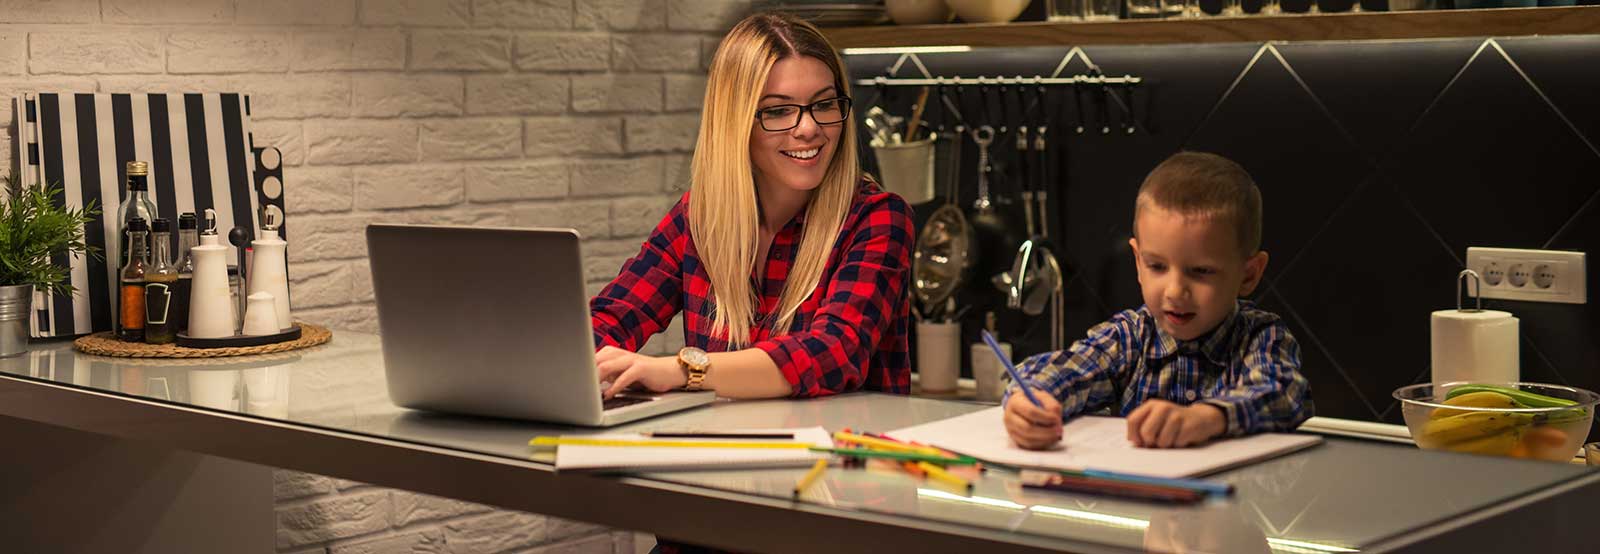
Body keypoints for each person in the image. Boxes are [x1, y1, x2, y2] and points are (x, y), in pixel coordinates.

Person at [590, 12, 914, 403]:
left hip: (838, 457)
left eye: (824, 104)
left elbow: (833, 352)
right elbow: (611, 317)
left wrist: (682, 370)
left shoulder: (877, 219)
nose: (809, 128)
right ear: (736, 123)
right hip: (723, 452)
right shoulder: (698, 219)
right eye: (778, 110)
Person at [1004, 151, 1313, 450]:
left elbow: (1285, 393)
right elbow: (1063, 371)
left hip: (1232, 500)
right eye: (1157, 266)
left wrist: (1206, 419)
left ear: (1248, 275)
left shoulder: (1261, 337)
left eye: (1201, 271)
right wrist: (1029, 401)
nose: (1175, 291)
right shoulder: (1129, 337)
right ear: (1138, 263)